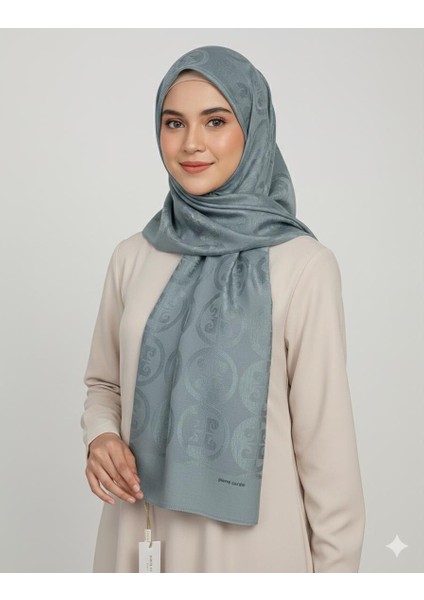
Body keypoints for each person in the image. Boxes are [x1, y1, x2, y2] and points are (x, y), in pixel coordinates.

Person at [81, 45, 366, 573]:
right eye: (174, 123)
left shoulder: (302, 265)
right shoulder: (133, 256)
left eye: (215, 121)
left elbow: (327, 448)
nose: (191, 143)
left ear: (253, 129)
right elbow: (104, 385)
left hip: (254, 552)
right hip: (140, 533)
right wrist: (100, 435)